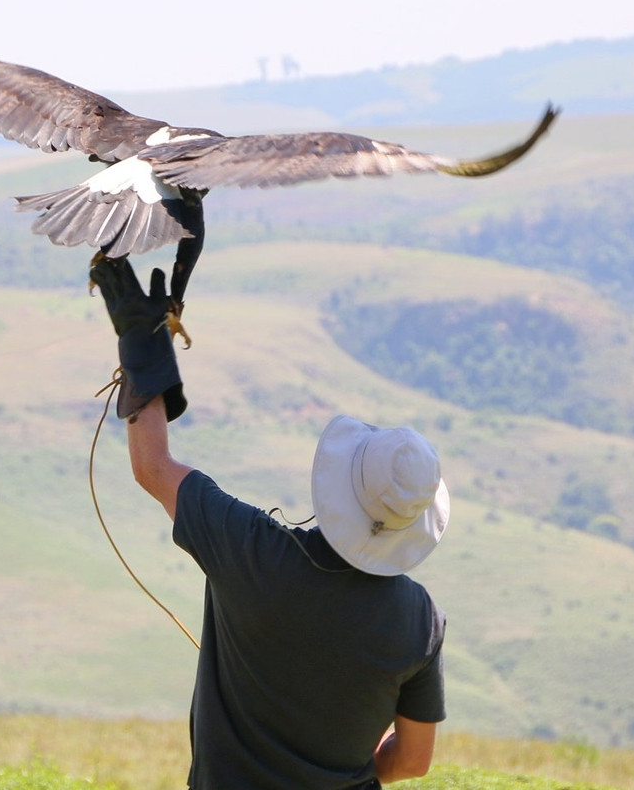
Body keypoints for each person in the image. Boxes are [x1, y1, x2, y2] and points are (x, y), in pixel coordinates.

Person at [90, 258, 449, 790]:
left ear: (337, 485)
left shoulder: (251, 549)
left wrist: (141, 343)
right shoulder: (419, 619)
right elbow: (414, 761)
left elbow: (153, 467)